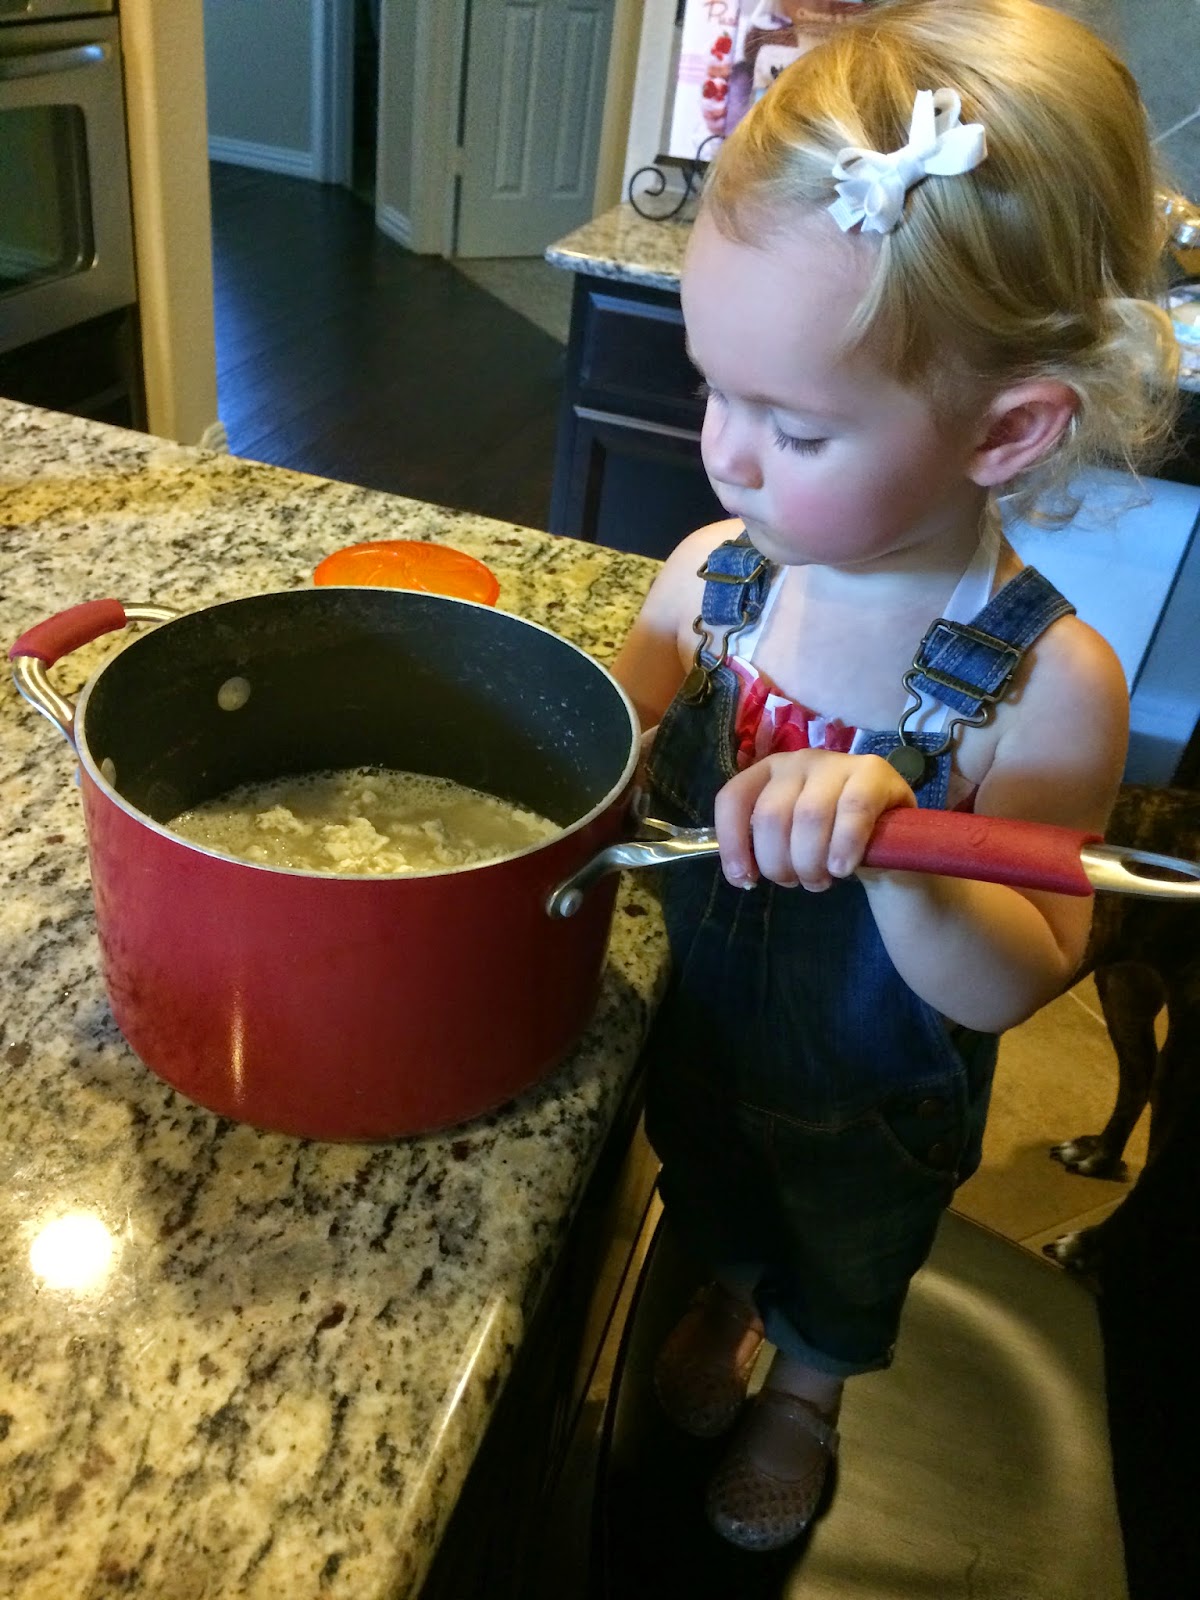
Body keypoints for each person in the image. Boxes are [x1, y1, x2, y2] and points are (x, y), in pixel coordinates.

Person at [611, 0, 1179, 1555]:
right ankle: (727, 1294)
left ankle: (806, 1392)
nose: (725, 452)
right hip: (710, 1030)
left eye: (790, 425)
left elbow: (1014, 985)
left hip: (875, 1104)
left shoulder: (1047, 689)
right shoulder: (717, 576)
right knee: (713, 1181)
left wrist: (907, 851)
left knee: (845, 1258)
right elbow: (598, 738)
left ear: (1008, 429)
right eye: (714, 388)